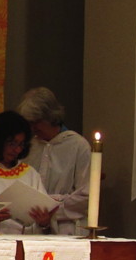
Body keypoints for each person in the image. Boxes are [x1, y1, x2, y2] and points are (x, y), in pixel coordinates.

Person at [16, 87, 91, 235]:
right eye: (29, 123)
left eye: (35, 122)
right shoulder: (30, 146)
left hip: (66, 227)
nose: (32, 128)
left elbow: (86, 194)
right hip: (33, 226)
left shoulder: (78, 145)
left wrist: (52, 208)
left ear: (50, 117)